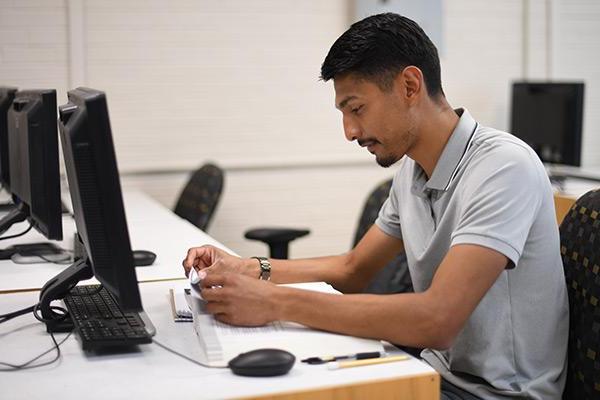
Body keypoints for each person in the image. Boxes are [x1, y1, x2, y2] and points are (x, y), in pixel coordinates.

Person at [182, 13, 568, 400]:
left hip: (496, 394)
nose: (349, 132)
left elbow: (438, 319)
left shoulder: (503, 167)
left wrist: (274, 302)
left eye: (357, 109)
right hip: (432, 372)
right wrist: (249, 268)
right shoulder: (412, 173)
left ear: (410, 86)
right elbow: (353, 270)